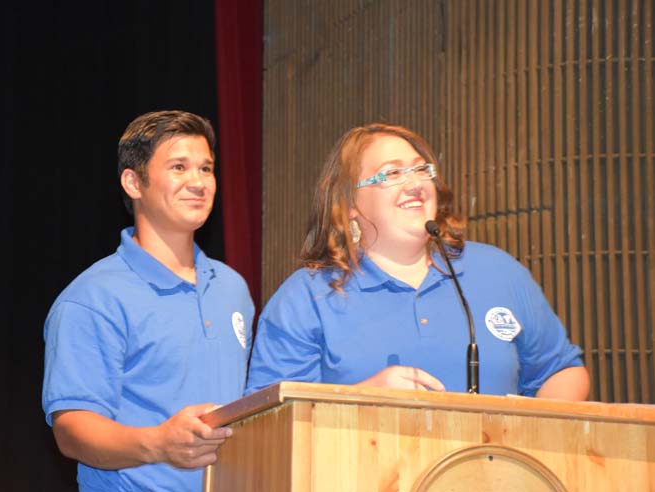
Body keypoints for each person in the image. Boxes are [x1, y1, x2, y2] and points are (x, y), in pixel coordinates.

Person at [246, 122, 589, 400]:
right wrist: (359, 399)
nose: (414, 183)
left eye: (421, 170)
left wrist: (531, 433)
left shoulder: (497, 272)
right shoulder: (307, 298)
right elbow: (271, 418)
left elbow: (560, 371)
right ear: (349, 204)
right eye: (391, 174)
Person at [42, 110, 254, 491]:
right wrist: (159, 444)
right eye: (179, 167)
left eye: (206, 169)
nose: (198, 182)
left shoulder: (232, 287)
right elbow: (71, 429)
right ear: (133, 183)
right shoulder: (92, 298)